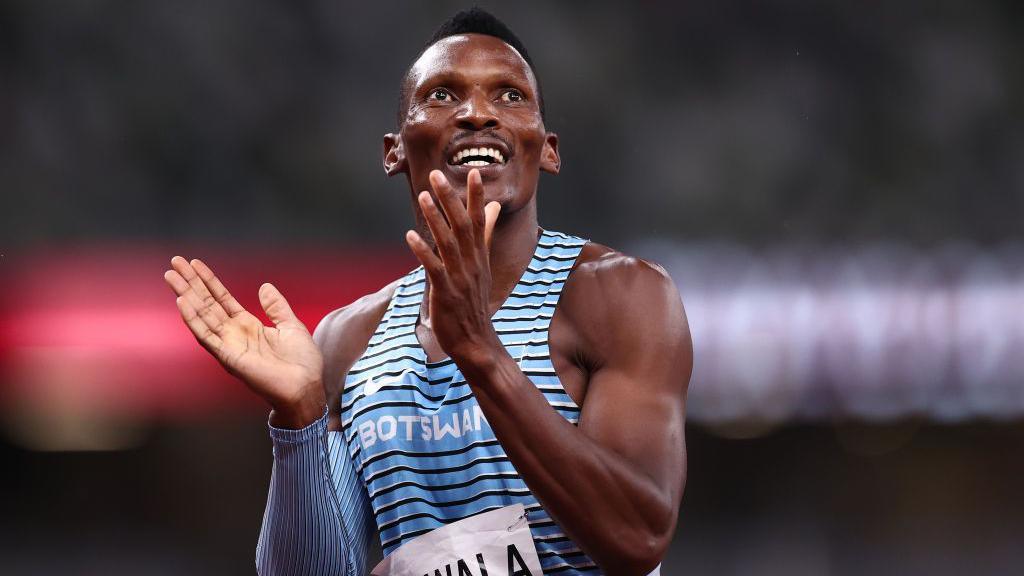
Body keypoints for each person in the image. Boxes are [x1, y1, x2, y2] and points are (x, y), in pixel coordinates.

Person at [163, 8, 691, 575]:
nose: (477, 114)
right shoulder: (348, 340)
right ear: (394, 152)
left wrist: (480, 352)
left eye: (510, 96)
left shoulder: (621, 296)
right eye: (442, 95)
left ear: (548, 149)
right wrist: (299, 420)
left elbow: (638, 536)